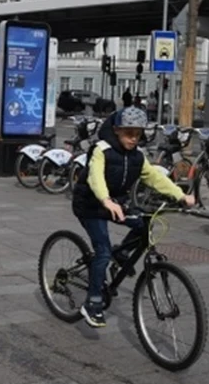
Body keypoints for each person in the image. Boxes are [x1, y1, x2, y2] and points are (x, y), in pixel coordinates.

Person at [71, 107, 196, 328]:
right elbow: (95, 177)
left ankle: (123, 254)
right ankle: (92, 303)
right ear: (117, 130)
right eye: (129, 133)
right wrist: (105, 200)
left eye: (138, 133)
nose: (134, 138)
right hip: (90, 204)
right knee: (102, 251)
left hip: (116, 204)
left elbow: (154, 177)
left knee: (142, 227)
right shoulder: (102, 149)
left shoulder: (137, 156)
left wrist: (180, 195)